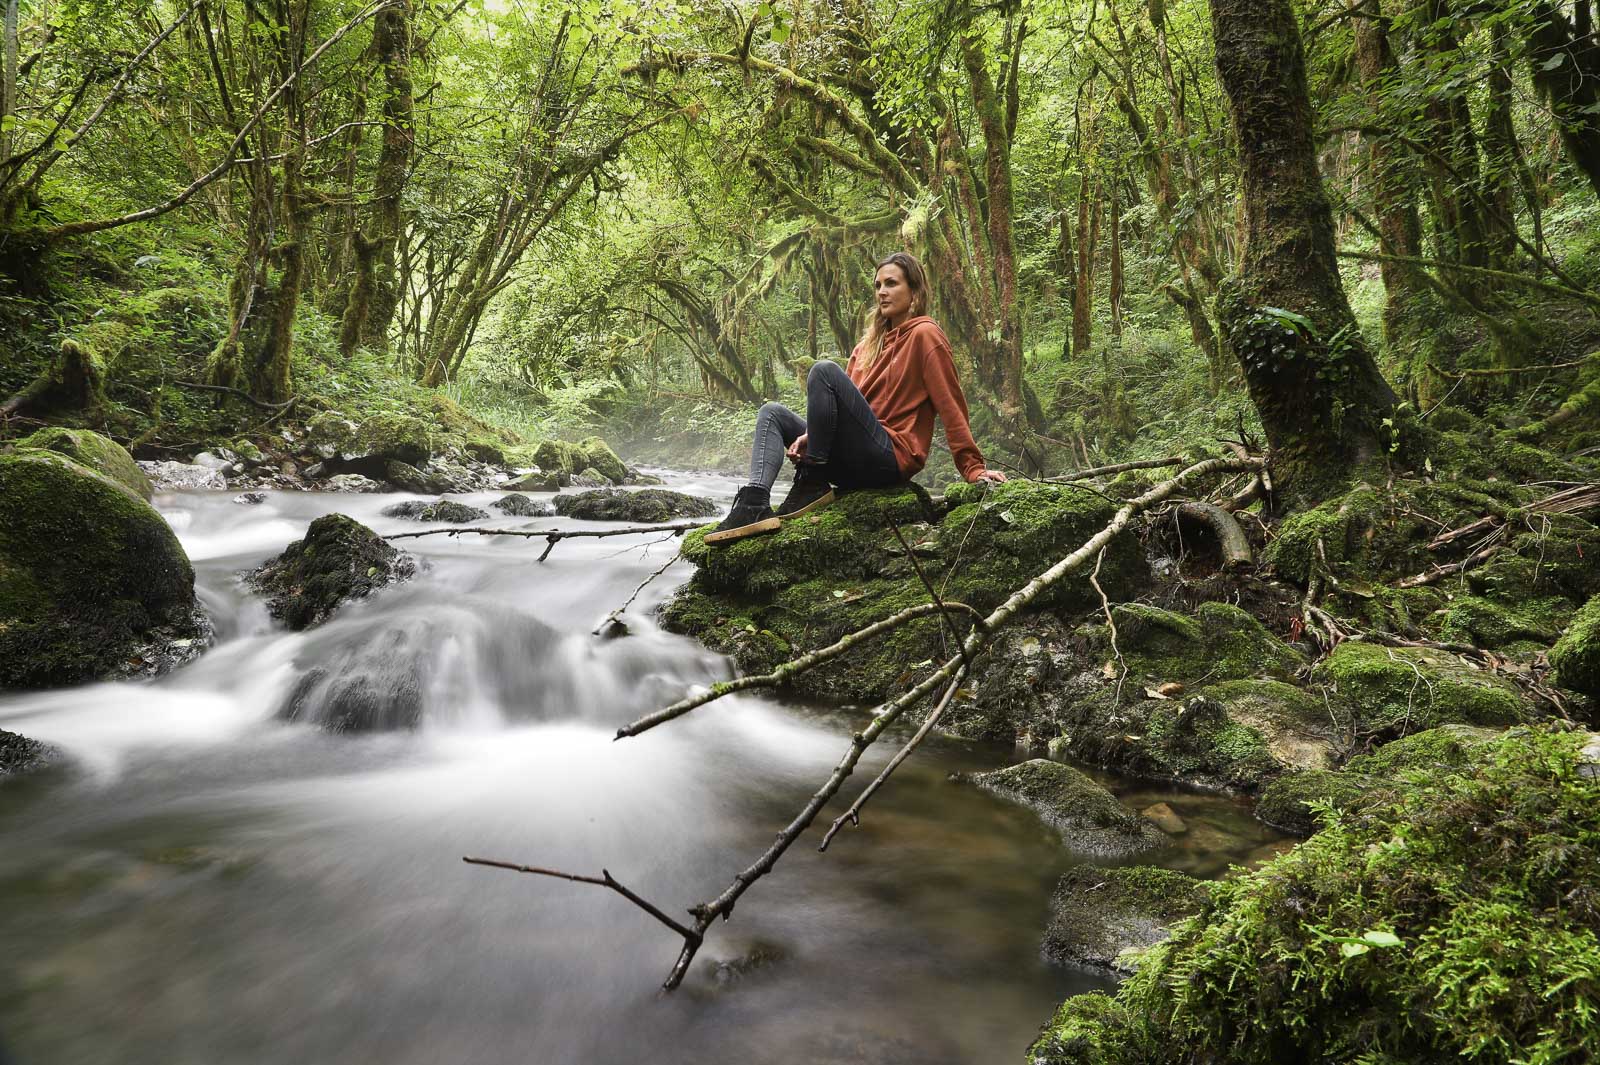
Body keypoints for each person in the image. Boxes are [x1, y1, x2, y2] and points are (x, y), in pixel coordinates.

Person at [706, 251, 1007, 545]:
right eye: (878, 286)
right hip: (853, 458)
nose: (882, 292)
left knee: (823, 370)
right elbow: (845, 411)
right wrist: (811, 435)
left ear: (914, 291)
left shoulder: (925, 335)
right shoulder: (866, 347)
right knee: (771, 412)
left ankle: (811, 480)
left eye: (892, 284)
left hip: (889, 457)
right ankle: (753, 505)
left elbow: (950, 403)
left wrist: (973, 468)